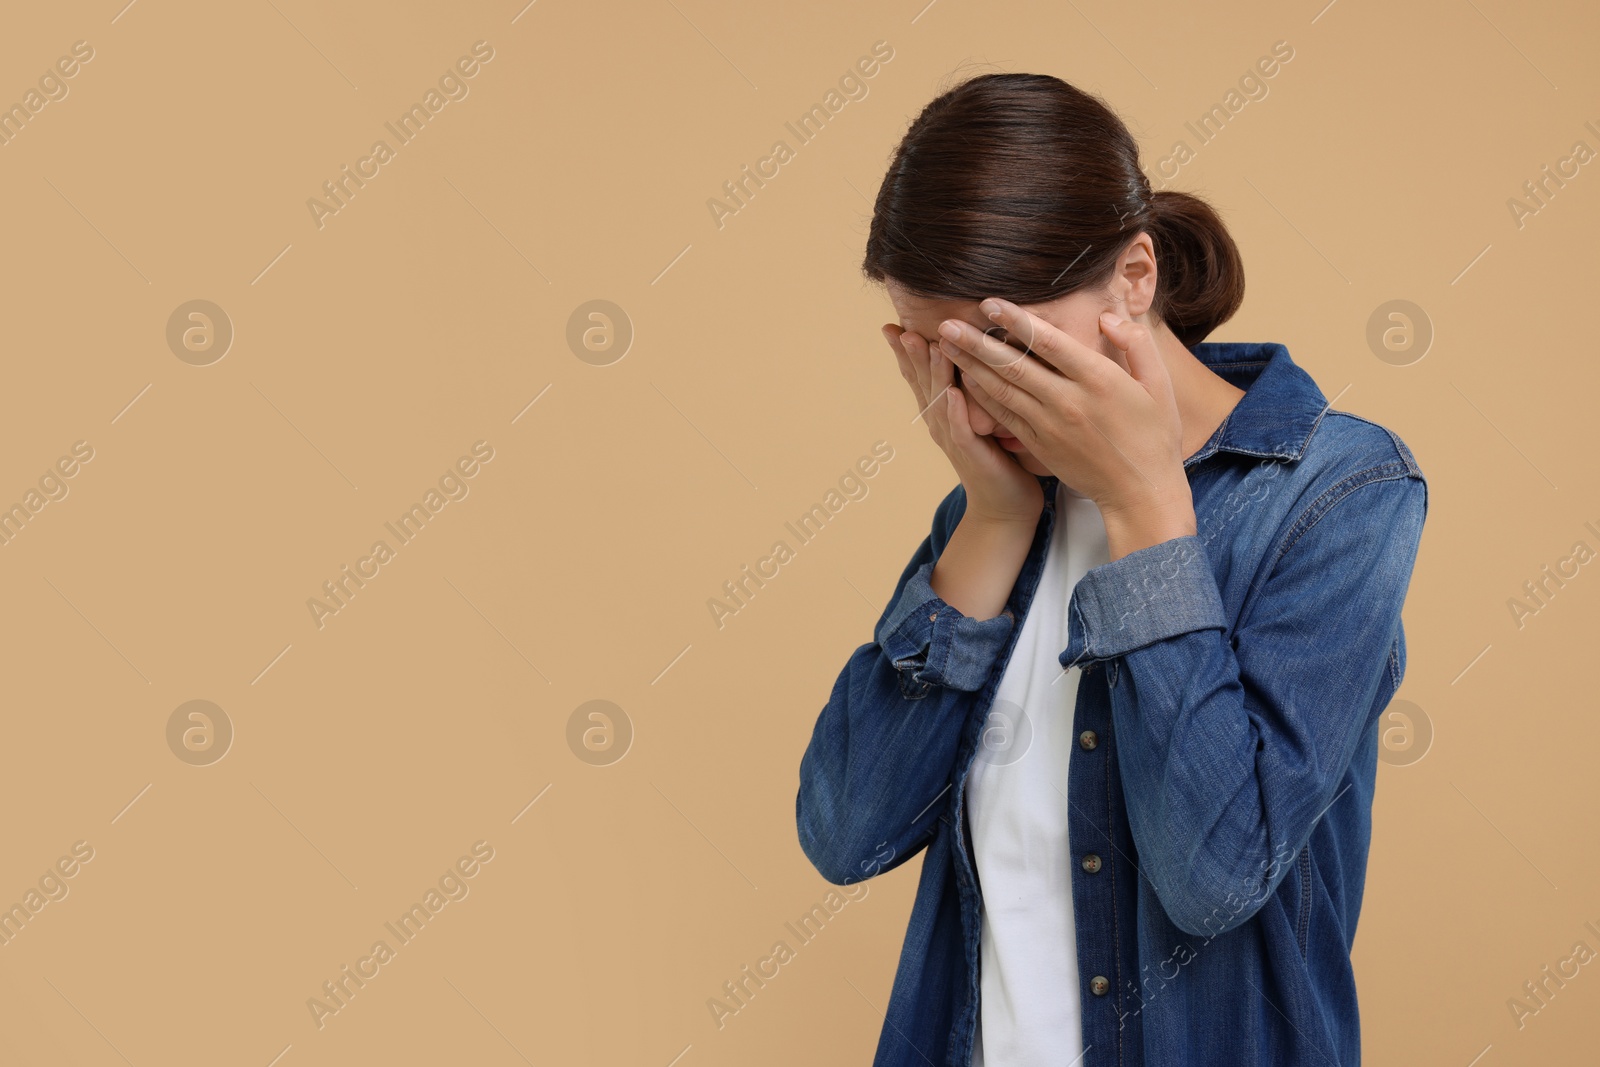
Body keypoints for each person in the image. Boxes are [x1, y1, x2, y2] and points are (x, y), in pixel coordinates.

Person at [795, 72, 1428, 1067]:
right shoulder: (997, 501)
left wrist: (1141, 508)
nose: (974, 398)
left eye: (1003, 349)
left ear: (1134, 279)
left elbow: (1214, 870)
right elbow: (844, 831)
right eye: (939, 360)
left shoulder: (1337, 492)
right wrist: (997, 518)